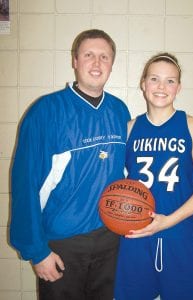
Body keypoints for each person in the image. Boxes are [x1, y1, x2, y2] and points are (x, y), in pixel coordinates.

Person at [10, 29, 130, 300]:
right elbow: (25, 184)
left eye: (104, 57)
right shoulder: (46, 111)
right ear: (75, 61)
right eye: (88, 55)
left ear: (112, 64)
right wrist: (37, 251)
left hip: (110, 241)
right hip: (62, 246)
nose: (97, 63)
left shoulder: (120, 111)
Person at [114, 52, 193, 300]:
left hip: (179, 235)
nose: (161, 87)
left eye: (170, 81)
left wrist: (168, 221)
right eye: (154, 79)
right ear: (143, 84)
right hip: (136, 237)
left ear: (179, 87)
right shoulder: (129, 129)